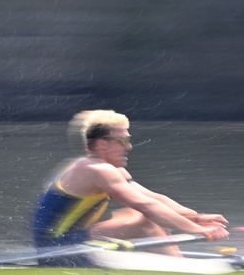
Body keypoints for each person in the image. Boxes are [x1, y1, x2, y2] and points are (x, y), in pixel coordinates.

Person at [31, 110, 229, 264]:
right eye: (123, 141)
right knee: (144, 221)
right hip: (56, 250)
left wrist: (196, 217)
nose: (129, 147)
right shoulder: (95, 170)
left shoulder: (106, 169)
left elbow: (155, 199)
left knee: (133, 216)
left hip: (72, 243)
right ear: (102, 145)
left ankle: (172, 266)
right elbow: (146, 206)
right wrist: (198, 231)